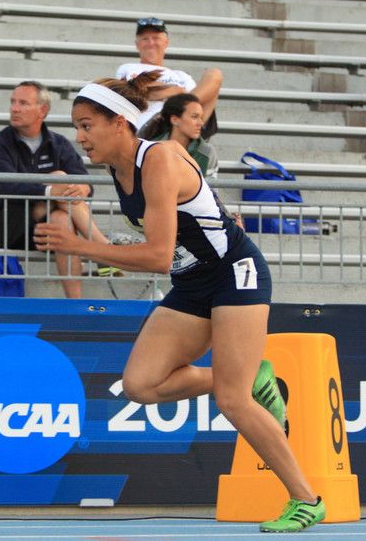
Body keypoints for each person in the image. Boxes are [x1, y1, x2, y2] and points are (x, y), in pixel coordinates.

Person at [34, 75, 326, 533]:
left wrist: (83, 246)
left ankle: (306, 500)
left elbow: (156, 254)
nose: (80, 137)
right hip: (192, 283)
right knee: (140, 385)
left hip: (233, 274)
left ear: (119, 123)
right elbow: (168, 241)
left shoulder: (159, 159)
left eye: (87, 125)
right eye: (76, 126)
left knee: (234, 399)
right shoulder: (119, 167)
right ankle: (253, 376)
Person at [0, 81, 109, 298]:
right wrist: (49, 192)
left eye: (23, 103)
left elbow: (85, 184)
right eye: (13, 102)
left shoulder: (58, 143)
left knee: (61, 218)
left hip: (46, 229)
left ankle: (74, 302)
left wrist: (79, 189)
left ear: (42, 111)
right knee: (58, 179)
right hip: (5, 226)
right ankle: (102, 247)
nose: (14, 108)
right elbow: (6, 187)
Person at [115, 17, 221, 134]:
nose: (150, 43)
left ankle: (182, 118)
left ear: (166, 42)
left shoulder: (182, 76)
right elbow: (140, 90)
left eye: (156, 38)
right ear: (137, 44)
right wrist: (179, 91)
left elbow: (197, 107)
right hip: (153, 127)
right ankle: (178, 114)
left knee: (214, 74)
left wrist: (169, 93)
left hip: (182, 125)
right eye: (145, 39)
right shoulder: (129, 68)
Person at [141, 91, 218, 177]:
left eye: (201, 117)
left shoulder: (207, 152)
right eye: (194, 117)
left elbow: (212, 189)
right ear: (174, 120)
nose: (201, 123)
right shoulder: (151, 148)